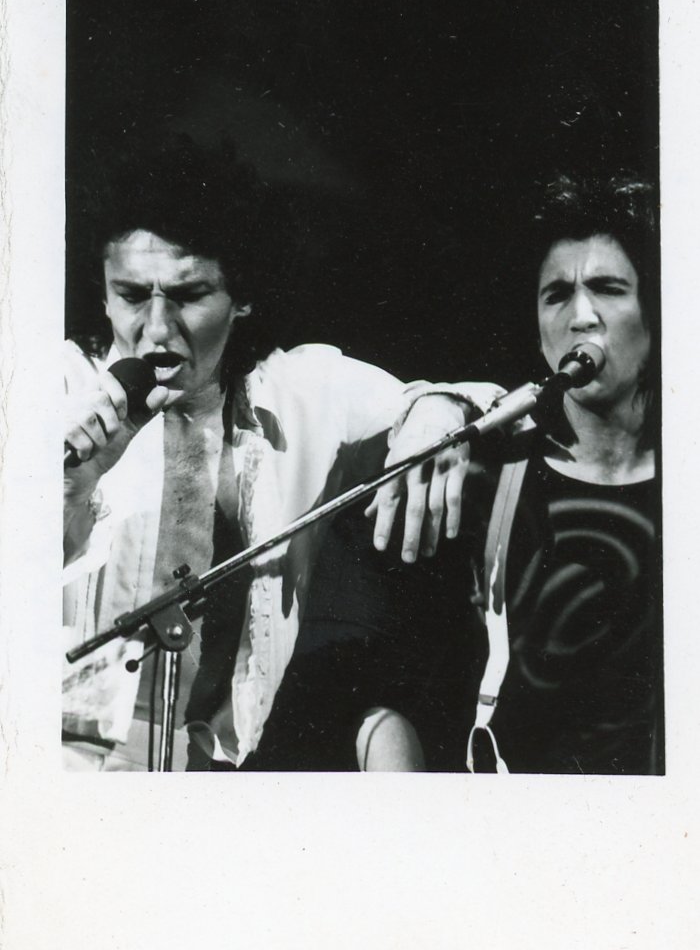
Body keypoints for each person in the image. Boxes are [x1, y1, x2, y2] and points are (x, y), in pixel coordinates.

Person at [62, 136, 498, 771]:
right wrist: (71, 489)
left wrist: (437, 413)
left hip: (210, 776)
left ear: (242, 296)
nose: (156, 329)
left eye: (188, 296)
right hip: (56, 763)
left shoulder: (297, 393)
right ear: (103, 296)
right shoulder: (55, 387)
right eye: (131, 295)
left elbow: (461, 397)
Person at [360, 173, 663, 775]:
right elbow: (384, 684)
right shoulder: (478, 480)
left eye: (608, 289)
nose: (582, 316)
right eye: (556, 295)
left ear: (656, 312)